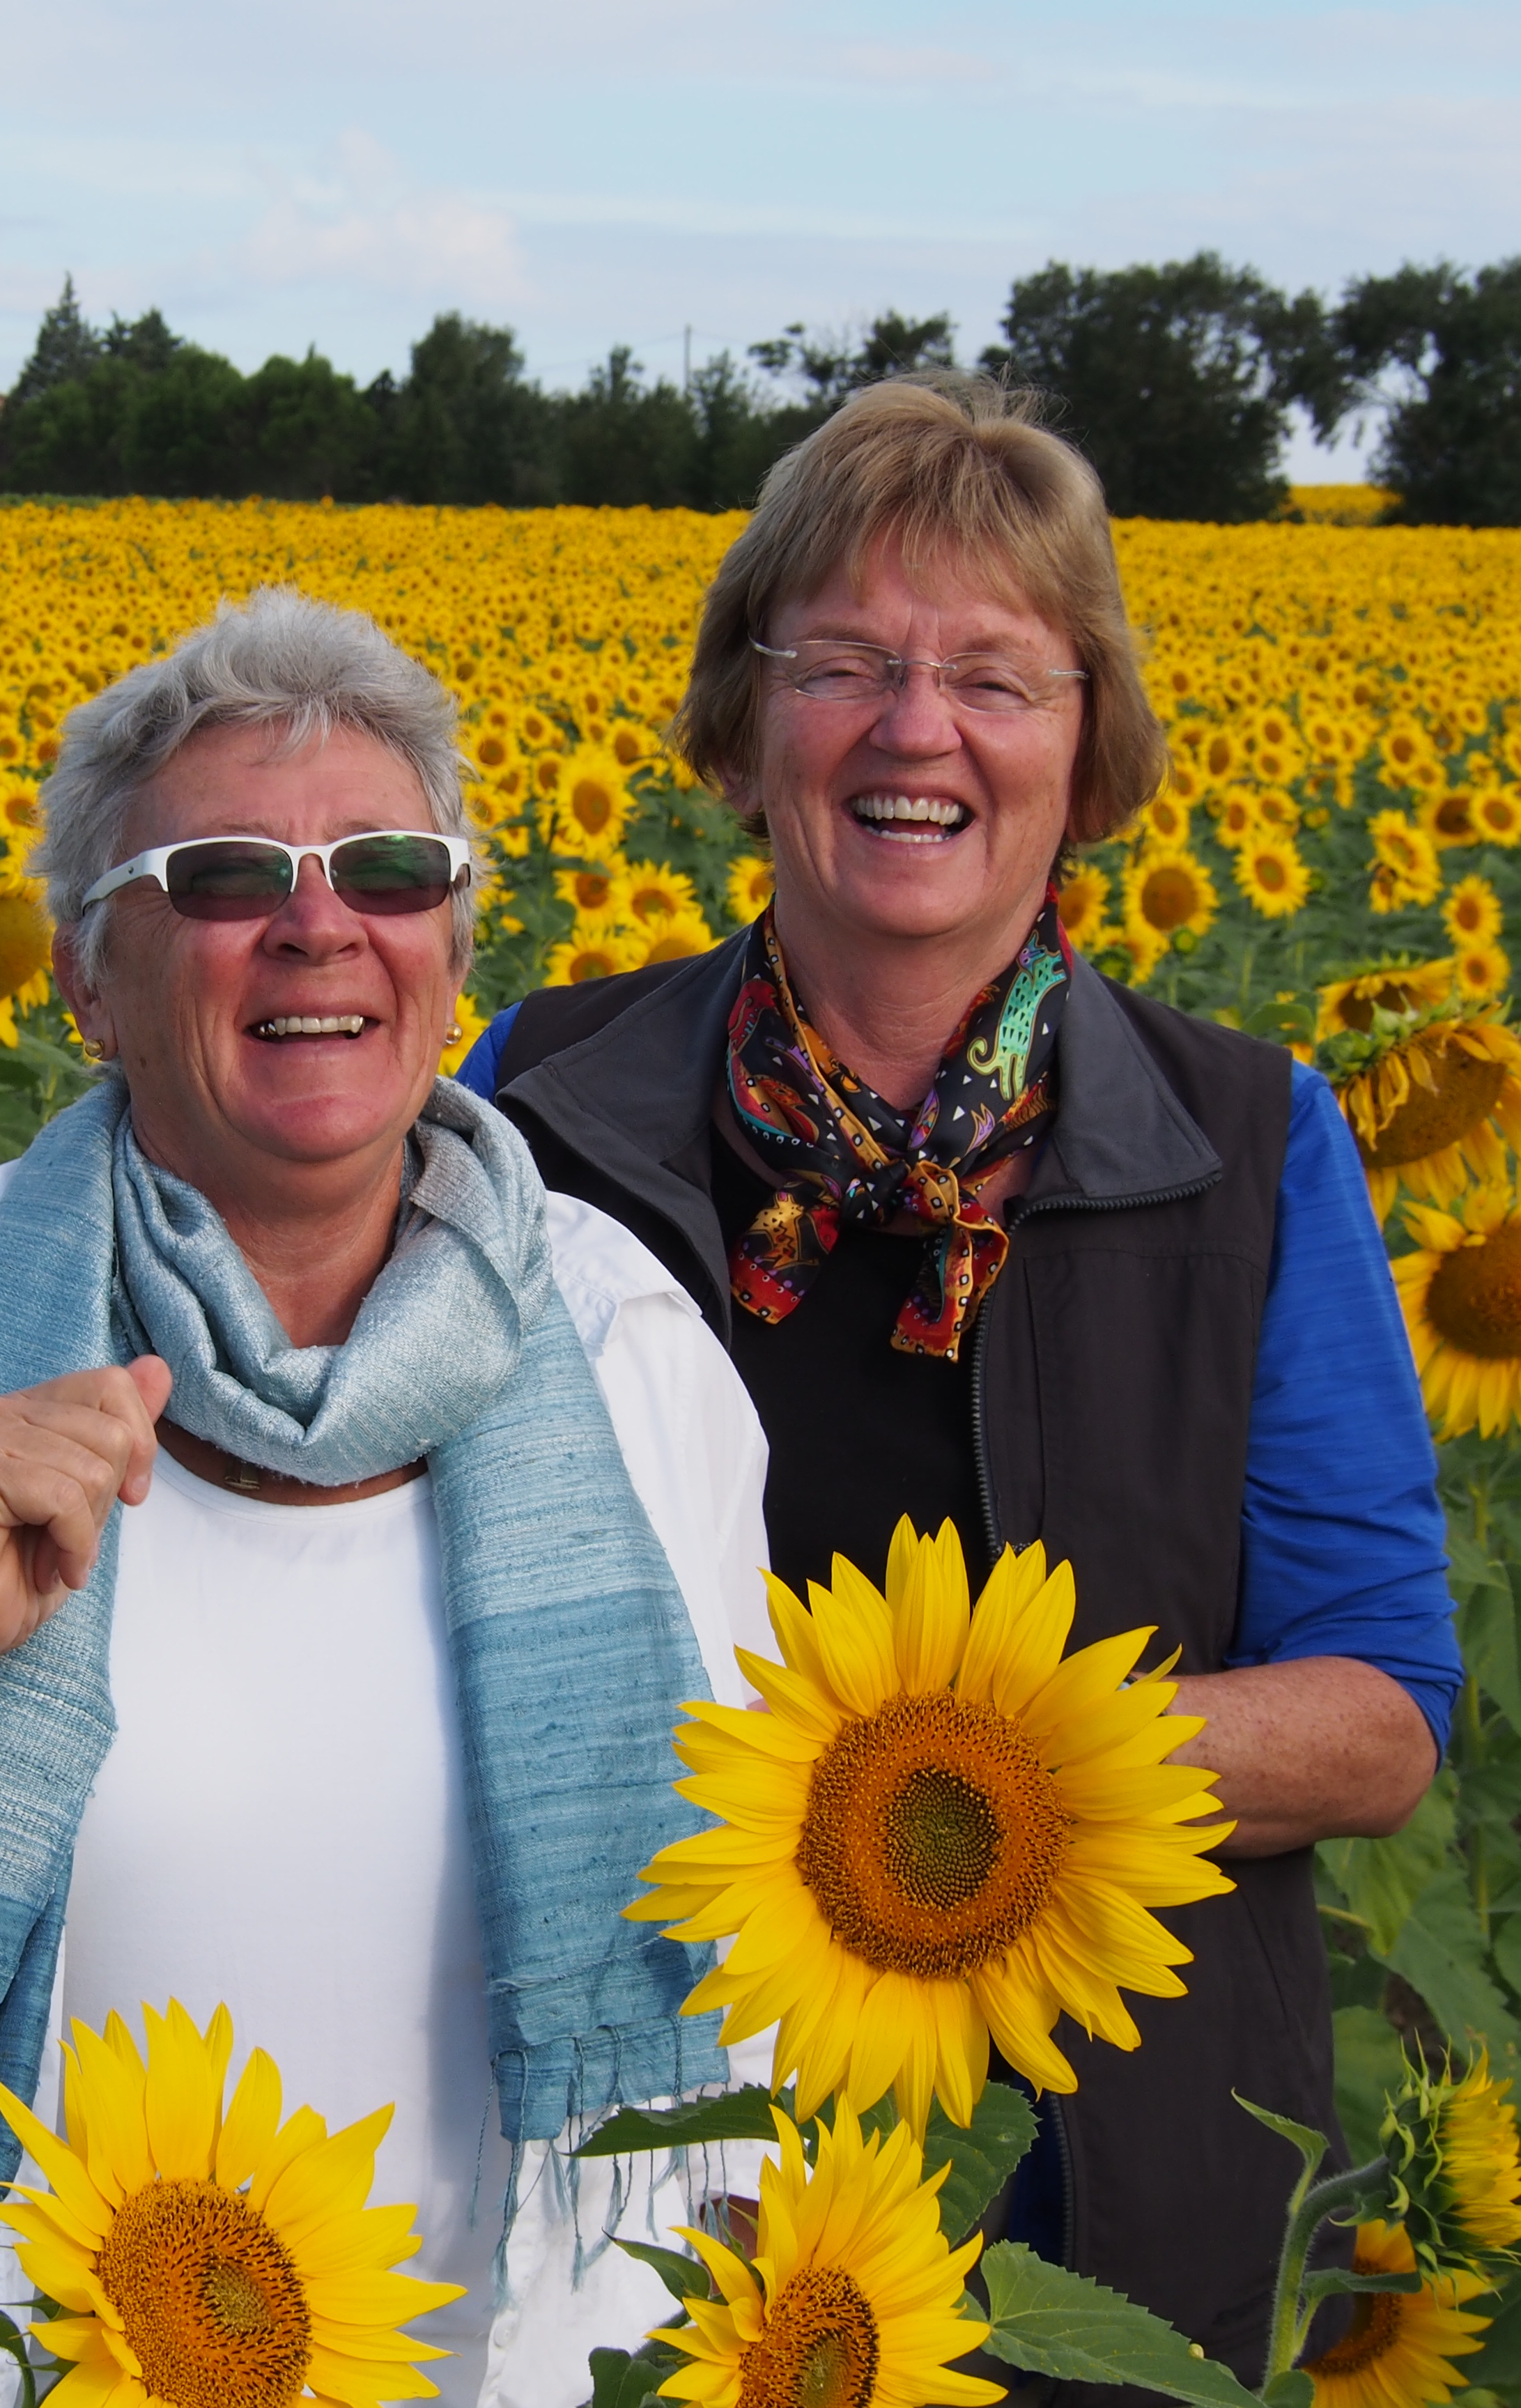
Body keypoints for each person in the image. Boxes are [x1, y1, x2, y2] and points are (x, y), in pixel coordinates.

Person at [0, 587, 775, 2408]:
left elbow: (749, 1958)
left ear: (452, 953)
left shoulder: (624, 1349)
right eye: (220, 877)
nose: (316, 925)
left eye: (387, 869)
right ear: (85, 982)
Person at [456, 377, 1460, 2375]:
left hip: (1106, 2197)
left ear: (1089, 750)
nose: (918, 728)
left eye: (996, 676)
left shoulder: (1250, 1145)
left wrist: (963, 1784)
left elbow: (1380, 1718)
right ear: (747, 726)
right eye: (844, 662)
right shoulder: (540, 1103)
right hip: (634, 2165)